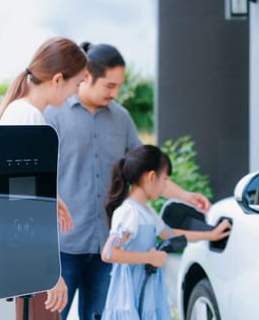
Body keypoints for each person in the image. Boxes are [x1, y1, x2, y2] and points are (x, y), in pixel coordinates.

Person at [44, 42, 212, 320]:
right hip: (63, 246)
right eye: (110, 85)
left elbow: (147, 172)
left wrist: (185, 196)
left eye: (119, 85)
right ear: (86, 76)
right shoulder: (53, 115)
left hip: (108, 244)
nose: (116, 93)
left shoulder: (121, 118)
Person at [0, 36, 88, 319]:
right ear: (58, 79)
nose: (75, 93)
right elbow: (21, 209)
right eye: (77, 83)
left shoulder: (17, 112)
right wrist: (50, 272)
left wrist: (51, 197)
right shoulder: (30, 119)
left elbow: (19, 190)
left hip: (20, 261)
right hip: (29, 264)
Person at [100, 145, 231, 319]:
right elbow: (109, 253)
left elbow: (170, 233)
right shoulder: (129, 212)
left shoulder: (146, 211)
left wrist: (211, 234)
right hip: (131, 294)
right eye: (165, 180)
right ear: (152, 177)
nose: (164, 188)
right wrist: (149, 258)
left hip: (147, 290)